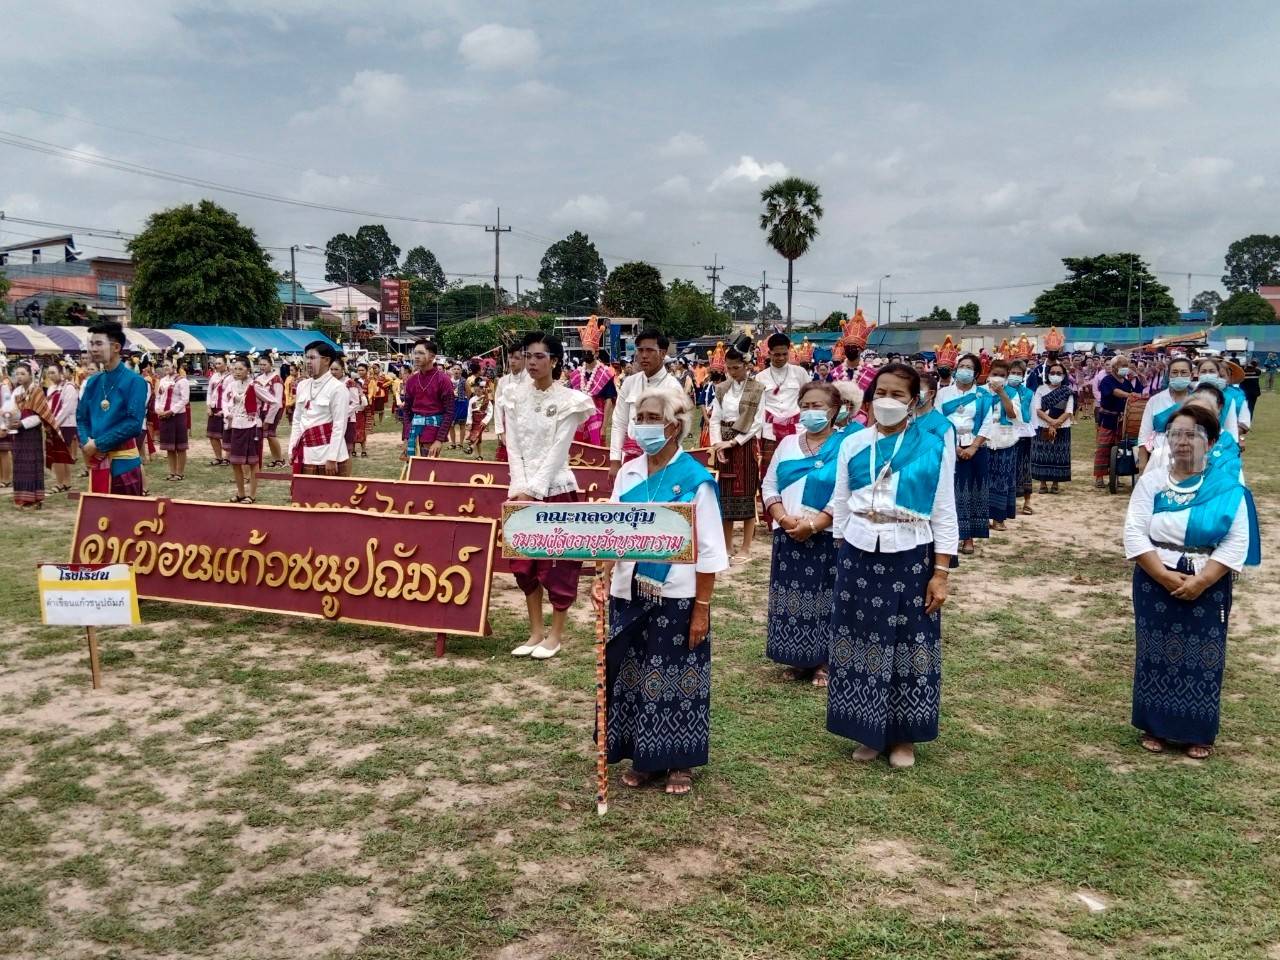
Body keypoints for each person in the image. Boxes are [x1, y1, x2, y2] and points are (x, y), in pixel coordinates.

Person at [828, 362, 957, 768]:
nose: (887, 400)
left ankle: (904, 737)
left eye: (897, 394)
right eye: (881, 392)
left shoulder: (933, 446)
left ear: (914, 400)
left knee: (908, 643)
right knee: (860, 640)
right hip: (858, 550)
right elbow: (841, 502)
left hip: (910, 552)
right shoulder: (852, 444)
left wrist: (940, 573)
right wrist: (840, 552)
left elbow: (944, 512)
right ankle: (866, 730)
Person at [600, 390, 728, 796]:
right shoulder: (628, 473)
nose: (642, 425)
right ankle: (643, 757)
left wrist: (701, 609)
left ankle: (679, 761)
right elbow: (612, 532)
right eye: (639, 417)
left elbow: (710, 551)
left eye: (652, 417)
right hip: (627, 591)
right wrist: (602, 578)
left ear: (674, 426)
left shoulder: (696, 480)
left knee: (676, 676)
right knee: (633, 673)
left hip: (677, 596)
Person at [1124, 404, 1260, 760]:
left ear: (1211, 441)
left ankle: (1198, 731)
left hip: (1208, 581)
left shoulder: (1227, 488)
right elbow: (1134, 532)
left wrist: (1203, 581)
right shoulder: (1152, 483)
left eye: (1192, 435)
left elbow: (1236, 541)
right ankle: (1155, 726)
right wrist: (1163, 574)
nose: (1182, 442)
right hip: (1155, 578)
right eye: (1175, 434)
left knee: (1204, 655)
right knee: (1154, 650)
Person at [503, 332, 593, 661]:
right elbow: (513, 446)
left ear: (554, 361)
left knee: (557, 564)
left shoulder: (570, 400)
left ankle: (555, 635)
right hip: (521, 489)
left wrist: (534, 490)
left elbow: (558, 450)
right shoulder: (513, 396)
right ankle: (535, 632)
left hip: (556, 489)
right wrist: (519, 487)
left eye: (539, 356)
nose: (532, 362)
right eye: (528, 356)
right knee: (524, 564)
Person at [761, 382, 845, 687]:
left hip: (827, 535)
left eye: (817, 406)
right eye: (805, 405)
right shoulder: (787, 444)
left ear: (834, 410)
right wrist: (783, 518)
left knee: (826, 597)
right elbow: (769, 485)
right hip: (788, 532)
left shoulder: (847, 445)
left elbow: (847, 491)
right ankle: (797, 657)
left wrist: (815, 524)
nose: (810, 411)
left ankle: (824, 661)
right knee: (791, 597)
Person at [76, 321, 149, 495]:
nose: (93, 349)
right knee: (98, 511)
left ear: (116, 347)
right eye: (92, 344)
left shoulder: (135, 381)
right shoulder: (93, 381)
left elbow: (134, 424)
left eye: (99, 343)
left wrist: (98, 444)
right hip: (98, 462)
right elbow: (81, 418)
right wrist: (87, 443)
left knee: (126, 512)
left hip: (124, 465)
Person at [709, 348, 765, 563]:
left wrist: (733, 442)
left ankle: (746, 547)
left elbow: (757, 422)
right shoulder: (722, 388)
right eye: (729, 368)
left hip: (744, 444)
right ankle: (726, 545)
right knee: (725, 495)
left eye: (736, 367)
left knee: (747, 493)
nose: (732, 372)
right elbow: (715, 419)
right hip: (723, 443)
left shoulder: (758, 389)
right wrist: (718, 445)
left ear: (746, 365)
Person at [936, 353, 993, 555]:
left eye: (969, 367)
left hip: (975, 447)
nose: (964, 370)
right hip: (948, 447)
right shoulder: (943, 394)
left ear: (976, 373)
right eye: (962, 366)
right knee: (950, 492)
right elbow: (938, 420)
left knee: (972, 492)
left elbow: (987, 423)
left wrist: (973, 447)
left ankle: (969, 538)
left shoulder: (984, 396)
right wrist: (955, 447)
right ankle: (949, 538)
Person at [609, 329, 686, 478]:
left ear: (662, 353)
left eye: (650, 350)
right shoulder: (629, 383)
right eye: (640, 350)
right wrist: (615, 460)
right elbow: (619, 423)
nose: (644, 355)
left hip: (661, 458)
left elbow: (676, 431)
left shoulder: (672, 387)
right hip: (630, 457)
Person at [6, 362, 69, 508]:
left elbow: (40, 416)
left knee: (31, 464)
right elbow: (11, 410)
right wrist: (10, 420)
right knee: (19, 464)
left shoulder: (37, 391)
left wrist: (22, 423)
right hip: (18, 434)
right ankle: (21, 497)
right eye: (17, 374)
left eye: (23, 374)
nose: (19, 377)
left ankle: (34, 498)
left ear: (30, 375)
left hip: (31, 434)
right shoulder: (17, 391)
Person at [287, 341, 349, 476]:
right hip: (306, 454)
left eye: (312, 358)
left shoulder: (338, 388)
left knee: (332, 490)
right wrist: (292, 447)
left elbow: (340, 425)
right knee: (304, 490)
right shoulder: (302, 385)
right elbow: (297, 420)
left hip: (328, 455)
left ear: (326, 360)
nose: (308, 362)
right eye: (307, 358)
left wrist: (332, 457)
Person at [757, 333, 811, 483]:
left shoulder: (800, 373)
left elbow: (809, 399)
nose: (781, 358)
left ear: (789, 352)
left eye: (784, 354)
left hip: (797, 431)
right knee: (769, 474)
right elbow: (759, 409)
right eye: (776, 354)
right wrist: (757, 436)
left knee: (797, 471)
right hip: (770, 433)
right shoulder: (760, 377)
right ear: (769, 353)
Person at [223, 355, 271, 502]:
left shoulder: (255, 385)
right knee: (235, 461)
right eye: (235, 369)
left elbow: (274, 402)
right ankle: (241, 493)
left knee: (252, 462)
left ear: (248, 370)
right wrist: (227, 413)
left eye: (240, 369)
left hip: (251, 426)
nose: (237, 372)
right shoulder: (231, 385)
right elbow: (224, 401)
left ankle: (252, 495)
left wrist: (267, 420)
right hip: (236, 426)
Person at [1137, 355, 1195, 473]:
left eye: (1183, 372)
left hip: (1191, 456)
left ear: (1191, 375)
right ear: (1169, 375)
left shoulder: (1198, 400)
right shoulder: (1155, 400)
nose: (1179, 376)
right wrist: (1143, 464)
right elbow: (1144, 434)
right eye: (1175, 372)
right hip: (1159, 458)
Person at [400, 340, 455, 459]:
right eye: (415, 353)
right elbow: (407, 410)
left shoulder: (443, 380)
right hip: (413, 431)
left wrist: (439, 439)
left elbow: (449, 411)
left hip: (432, 433)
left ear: (432, 356)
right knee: (411, 468)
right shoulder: (411, 380)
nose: (416, 356)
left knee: (428, 468)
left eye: (421, 353)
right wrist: (406, 437)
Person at [1095, 354, 1141, 488]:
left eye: (1127, 365)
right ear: (1114, 367)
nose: (1125, 368)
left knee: (1120, 448)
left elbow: (1137, 391)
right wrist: (1129, 395)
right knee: (1104, 448)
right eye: (1123, 366)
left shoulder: (1126, 382)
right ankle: (1099, 477)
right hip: (1108, 419)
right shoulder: (1107, 380)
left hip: (1123, 420)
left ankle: (1116, 475)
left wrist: (1137, 378)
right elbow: (1115, 392)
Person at [1031, 359, 1074, 494]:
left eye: (1059, 373)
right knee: (1042, 454)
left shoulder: (1067, 391)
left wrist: (1057, 422)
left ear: (1063, 375)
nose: (1055, 375)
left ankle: (1056, 483)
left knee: (1058, 454)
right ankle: (1042, 483)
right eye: (1053, 372)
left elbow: (1069, 411)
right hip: (1042, 425)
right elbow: (1037, 409)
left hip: (1062, 427)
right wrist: (1051, 421)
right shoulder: (1040, 389)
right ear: (1048, 374)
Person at [1007, 358, 1037, 516]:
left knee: (1025, 467)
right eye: (1013, 372)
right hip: (1006, 434)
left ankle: (1027, 501)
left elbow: (1032, 415)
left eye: (1019, 373)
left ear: (1023, 375)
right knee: (1008, 467)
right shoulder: (1002, 391)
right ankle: (1008, 502)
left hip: (1024, 434)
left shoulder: (1029, 393)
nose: (1015, 375)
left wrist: (1033, 430)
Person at [570, 348, 617, 446]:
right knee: (578, 451)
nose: (586, 354)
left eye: (588, 352)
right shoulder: (576, 374)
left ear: (596, 353)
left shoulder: (605, 374)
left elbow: (608, 401)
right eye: (584, 352)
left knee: (595, 451)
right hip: (579, 420)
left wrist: (604, 427)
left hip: (598, 420)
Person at [154, 359, 191, 482]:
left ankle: (180, 473)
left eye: (168, 365)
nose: (165, 367)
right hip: (164, 416)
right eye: (164, 365)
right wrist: (158, 409)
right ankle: (172, 472)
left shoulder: (182, 381)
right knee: (169, 447)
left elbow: (185, 399)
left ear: (174, 366)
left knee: (180, 447)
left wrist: (171, 411)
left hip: (177, 416)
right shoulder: (163, 381)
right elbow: (158, 397)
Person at [46, 361, 79, 493]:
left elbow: (67, 409)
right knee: (60, 454)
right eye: (49, 373)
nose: (51, 375)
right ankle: (65, 482)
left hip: (66, 424)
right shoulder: (51, 388)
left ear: (61, 373)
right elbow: (48, 407)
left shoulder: (69, 387)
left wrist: (54, 423)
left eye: (53, 372)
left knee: (60, 454)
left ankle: (61, 483)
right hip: (53, 424)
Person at [493, 346, 527, 462]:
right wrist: (501, 432)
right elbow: (498, 407)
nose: (512, 361)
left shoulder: (532, 380)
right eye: (511, 357)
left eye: (517, 358)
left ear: (525, 359)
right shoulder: (503, 381)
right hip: (509, 430)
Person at [256, 354, 286, 467]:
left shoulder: (276, 379)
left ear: (271, 364)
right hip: (262, 409)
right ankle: (275, 458)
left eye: (264, 364)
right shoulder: (259, 378)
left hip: (274, 409)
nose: (262, 367)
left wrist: (269, 419)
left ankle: (280, 459)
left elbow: (277, 400)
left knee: (271, 434)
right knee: (267, 435)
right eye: (260, 364)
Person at [206, 356, 230, 467]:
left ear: (226, 364)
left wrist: (226, 410)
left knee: (227, 435)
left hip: (226, 408)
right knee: (212, 435)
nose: (217, 365)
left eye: (219, 363)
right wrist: (208, 406)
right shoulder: (214, 376)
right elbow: (209, 392)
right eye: (216, 363)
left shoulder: (231, 377)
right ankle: (218, 457)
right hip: (214, 407)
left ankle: (227, 458)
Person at [464, 376, 492, 458]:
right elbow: (469, 412)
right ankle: (479, 456)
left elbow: (490, 412)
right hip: (474, 420)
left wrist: (485, 421)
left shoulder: (486, 399)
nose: (477, 392)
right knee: (477, 437)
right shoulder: (472, 399)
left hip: (482, 420)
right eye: (475, 391)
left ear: (482, 389)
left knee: (477, 433)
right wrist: (469, 422)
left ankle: (471, 447)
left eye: (479, 390)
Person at [449, 363, 469, 449]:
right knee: (451, 425)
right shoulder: (449, 380)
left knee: (462, 424)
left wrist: (466, 402)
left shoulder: (464, 381)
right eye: (455, 369)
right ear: (452, 371)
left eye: (458, 369)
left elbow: (468, 393)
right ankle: (453, 444)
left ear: (461, 371)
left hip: (461, 403)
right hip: (452, 404)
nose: (456, 371)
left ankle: (460, 444)